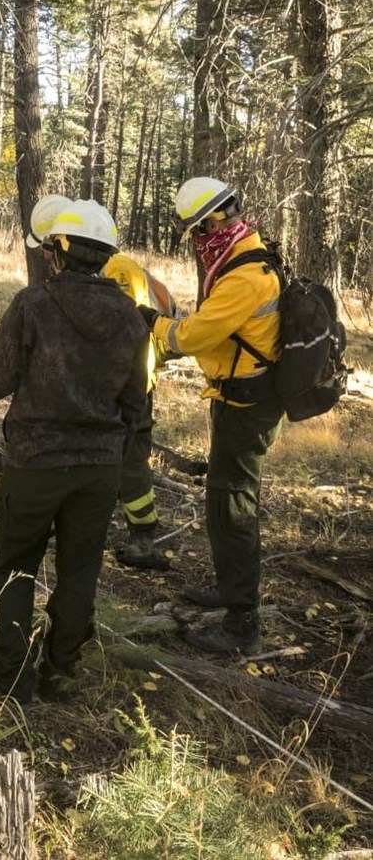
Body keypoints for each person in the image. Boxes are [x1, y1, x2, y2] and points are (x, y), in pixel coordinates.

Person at [0, 197, 149, 704]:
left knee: (15, 566)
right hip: (99, 469)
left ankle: (11, 676)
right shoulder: (132, 317)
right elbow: (136, 406)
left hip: (35, 462)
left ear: (59, 250)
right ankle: (60, 673)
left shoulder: (32, 304)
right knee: (80, 570)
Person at [141, 176, 284, 656]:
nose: (197, 240)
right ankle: (230, 592)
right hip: (235, 399)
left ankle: (243, 625)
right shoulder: (240, 256)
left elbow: (196, 335)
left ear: (214, 220)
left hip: (249, 408)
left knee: (234, 508)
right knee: (224, 503)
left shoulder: (244, 274)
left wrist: (153, 325)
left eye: (197, 229)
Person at [27, 196, 179, 569]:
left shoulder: (117, 268)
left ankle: (144, 537)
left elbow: (126, 329)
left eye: (49, 247)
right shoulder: (96, 268)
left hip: (128, 384)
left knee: (130, 458)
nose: (47, 257)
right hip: (103, 382)